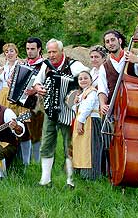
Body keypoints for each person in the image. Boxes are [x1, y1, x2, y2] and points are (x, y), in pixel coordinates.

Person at [97, 30, 138, 193]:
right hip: (116, 113)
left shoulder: (133, 59)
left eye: (113, 40)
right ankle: (120, 176)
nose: (110, 43)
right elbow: (102, 90)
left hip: (134, 113)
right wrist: (103, 103)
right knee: (116, 146)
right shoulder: (104, 67)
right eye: (107, 41)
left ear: (120, 41)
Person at [32, 38, 88, 187]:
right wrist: (39, 88)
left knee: (69, 145)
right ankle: (45, 180)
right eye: (49, 52)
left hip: (69, 113)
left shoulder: (75, 66)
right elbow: (37, 82)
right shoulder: (46, 66)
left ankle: (71, 181)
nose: (51, 55)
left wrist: (78, 95)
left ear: (62, 52)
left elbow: (89, 80)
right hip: (51, 111)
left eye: (54, 52)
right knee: (46, 144)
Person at [0, 43, 33, 166]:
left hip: (18, 98)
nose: (9, 54)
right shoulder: (4, 67)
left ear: (16, 53)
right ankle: (12, 156)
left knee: (22, 128)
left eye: (12, 51)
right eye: (7, 52)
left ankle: (26, 161)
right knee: (7, 127)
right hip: (4, 96)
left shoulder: (21, 66)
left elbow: (28, 82)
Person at [71, 71, 101, 182]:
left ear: (91, 79)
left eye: (85, 78)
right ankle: (80, 170)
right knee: (81, 147)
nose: (83, 80)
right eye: (80, 79)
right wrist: (76, 103)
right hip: (83, 120)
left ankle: (90, 174)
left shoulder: (92, 92)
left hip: (90, 121)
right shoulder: (83, 93)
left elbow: (88, 108)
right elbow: (77, 109)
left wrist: (80, 121)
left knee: (90, 147)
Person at [22, 37, 47, 164]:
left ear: (39, 49)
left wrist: (36, 90)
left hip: (38, 104)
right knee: (24, 132)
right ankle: (25, 161)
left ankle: (36, 162)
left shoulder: (45, 65)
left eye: (32, 49)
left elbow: (49, 85)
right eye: (27, 49)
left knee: (37, 133)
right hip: (22, 103)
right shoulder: (23, 64)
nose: (29, 51)